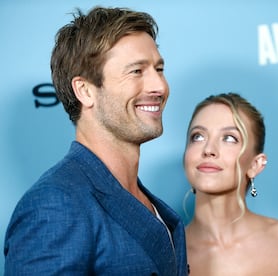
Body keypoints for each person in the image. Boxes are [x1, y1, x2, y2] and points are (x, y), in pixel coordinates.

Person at [4, 6, 188, 275]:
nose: (159, 86)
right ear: (85, 90)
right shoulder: (54, 205)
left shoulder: (157, 207)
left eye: (159, 69)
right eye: (137, 71)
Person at [184, 92, 278, 275]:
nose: (208, 149)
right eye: (198, 137)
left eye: (229, 138)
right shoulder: (168, 254)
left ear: (255, 165)